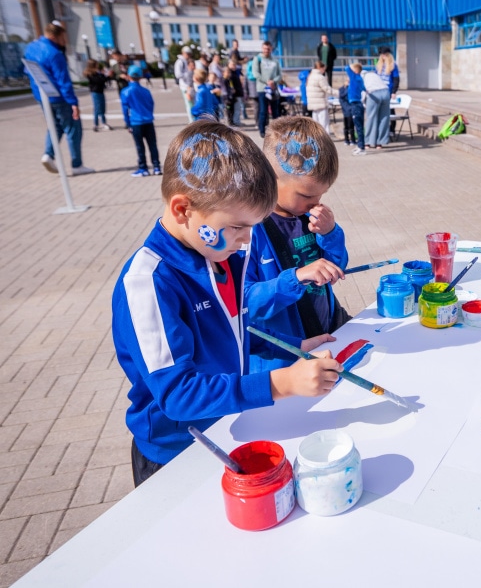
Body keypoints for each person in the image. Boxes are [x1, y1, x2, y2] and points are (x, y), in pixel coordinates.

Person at [111, 121, 343, 486]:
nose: (247, 239)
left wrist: (291, 346)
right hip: (173, 453)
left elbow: (237, 330)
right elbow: (177, 395)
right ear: (183, 209)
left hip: (226, 424)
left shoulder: (222, 256)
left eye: (251, 226)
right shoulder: (149, 282)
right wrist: (280, 383)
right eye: (237, 226)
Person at [245, 115, 350, 373]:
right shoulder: (247, 229)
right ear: (269, 177)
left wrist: (331, 233)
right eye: (306, 195)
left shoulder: (308, 216)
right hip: (282, 360)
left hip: (326, 335)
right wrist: (297, 278)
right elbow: (244, 304)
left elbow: (337, 267)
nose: (316, 202)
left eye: (322, 194)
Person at [24, 22, 93, 175]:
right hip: (59, 97)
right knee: (73, 128)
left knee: (54, 127)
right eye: (63, 37)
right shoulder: (54, 53)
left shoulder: (31, 48)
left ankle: (48, 154)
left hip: (42, 96)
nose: (65, 40)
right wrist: (73, 103)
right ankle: (77, 164)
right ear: (55, 37)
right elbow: (63, 80)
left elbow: (27, 71)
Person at [120, 64, 160, 177]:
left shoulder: (125, 91)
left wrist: (128, 123)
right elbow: (151, 104)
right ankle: (156, 166)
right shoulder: (146, 91)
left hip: (136, 122)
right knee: (152, 145)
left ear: (128, 76)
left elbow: (125, 109)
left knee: (139, 146)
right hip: (148, 121)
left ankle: (143, 168)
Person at [253, 41, 283, 138]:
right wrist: (267, 82)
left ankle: (276, 130)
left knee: (275, 111)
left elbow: (279, 75)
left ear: (271, 49)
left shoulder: (275, 61)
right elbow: (256, 74)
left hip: (273, 89)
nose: (267, 50)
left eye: (268, 49)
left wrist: (273, 82)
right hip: (262, 89)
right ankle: (262, 131)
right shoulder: (257, 59)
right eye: (265, 48)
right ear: (262, 49)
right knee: (263, 111)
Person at [362, 60, 391, 150]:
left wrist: (363, 103)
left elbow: (363, 92)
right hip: (386, 93)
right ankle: (380, 143)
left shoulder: (361, 77)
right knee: (384, 118)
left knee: (371, 118)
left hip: (374, 93)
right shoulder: (374, 75)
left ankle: (368, 142)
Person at [305, 61, 338, 136]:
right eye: (324, 69)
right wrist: (338, 93)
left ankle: (317, 137)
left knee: (316, 123)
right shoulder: (320, 77)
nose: (324, 70)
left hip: (313, 103)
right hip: (321, 103)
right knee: (324, 123)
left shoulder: (310, 76)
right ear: (321, 68)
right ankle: (325, 138)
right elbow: (327, 89)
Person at [377, 49, 400, 140]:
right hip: (379, 91)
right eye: (382, 55)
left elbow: (396, 79)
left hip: (388, 91)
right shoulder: (379, 66)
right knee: (380, 112)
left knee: (391, 112)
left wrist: (394, 91)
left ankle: (392, 130)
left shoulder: (393, 66)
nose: (383, 56)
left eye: (385, 55)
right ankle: (382, 132)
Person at [85, 59, 112, 132]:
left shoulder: (97, 72)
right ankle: (97, 124)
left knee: (102, 107)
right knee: (97, 108)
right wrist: (106, 76)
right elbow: (99, 81)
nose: (97, 66)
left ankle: (103, 123)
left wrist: (106, 75)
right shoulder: (91, 74)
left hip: (100, 91)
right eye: (96, 64)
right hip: (95, 92)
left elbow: (103, 79)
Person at [345, 62, 366, 154]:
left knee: (358, 127)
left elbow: (346, 68)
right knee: (359, 127)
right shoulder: (360, 79)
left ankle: (361, 148)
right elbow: (363, 88)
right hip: (359, 104)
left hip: (355, 104)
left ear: (356, 70)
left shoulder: (354, 77)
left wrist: (352, 65)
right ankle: (360, 146)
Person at [174, 48, 195, 122]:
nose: (189, 55)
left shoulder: (186, 61)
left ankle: (193, 120)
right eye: (187, 53)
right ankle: (191, 121)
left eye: (189, 53)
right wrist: (187, 74)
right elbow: (178, 74)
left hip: (190, 86)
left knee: (192, 104)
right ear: (183, 53)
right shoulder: (180, 61)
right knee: (189, 105)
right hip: (185, 86)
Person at [224, 62, 245, 126]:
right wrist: (232, 92)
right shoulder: (228, 78)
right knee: (232, 110)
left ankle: (234, 122)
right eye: (232, 65)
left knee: (235, 110)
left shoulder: (235, 73)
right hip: (232, 97)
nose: (234, 66)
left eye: (234, 65)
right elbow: (229, 88)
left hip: (235, 96)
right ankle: (234, 122)